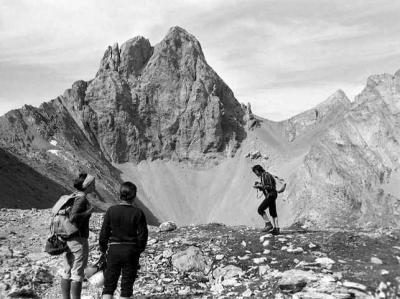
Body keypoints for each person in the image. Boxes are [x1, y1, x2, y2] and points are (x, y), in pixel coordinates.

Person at [99, 181, 148, 299]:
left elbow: (104, 233)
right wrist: (138, 250)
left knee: (109, 285)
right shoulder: (138, 213)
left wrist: (103, 248)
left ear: (120, 194)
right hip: (130, 251)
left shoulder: (111, 210)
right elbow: (143, 235)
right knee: (126, 286)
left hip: (114, 250)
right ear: (134, 196)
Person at [61, 173, 95, 299]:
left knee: (67, 270)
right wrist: (88, 212)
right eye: (93, 184)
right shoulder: (82, 199)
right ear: (87, 185)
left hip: (67, 238)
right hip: (78, 239)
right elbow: (73, 217)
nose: (94, 186)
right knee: (77, 273)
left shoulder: (73, 196)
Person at [252, 165, 286, 235]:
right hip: (272, 194)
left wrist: (260, 186)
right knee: (273, 212)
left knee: (260, 209)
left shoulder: (265, 175)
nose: (256, 174)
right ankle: (276, 229)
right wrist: (260, 187)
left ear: (258, 170)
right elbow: (268, 186)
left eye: (255, 172)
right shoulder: (264, 175)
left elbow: (270, 186)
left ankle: (268, 224)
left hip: (271, 195)